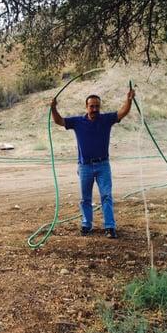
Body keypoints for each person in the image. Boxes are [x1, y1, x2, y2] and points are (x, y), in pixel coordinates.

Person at [50, 88, 135, 238]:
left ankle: (109, 227)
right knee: (85, 198)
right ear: (86, 107)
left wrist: (129, 100)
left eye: (97, 106)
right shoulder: (77, 122)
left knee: (107, 196)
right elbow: (59, 121)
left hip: (103, 165)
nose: (94, 109)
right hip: (85, 166)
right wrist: (53, 108)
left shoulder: (106, 119)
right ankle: (86, 225)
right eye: (92, 106)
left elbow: (122, 112)